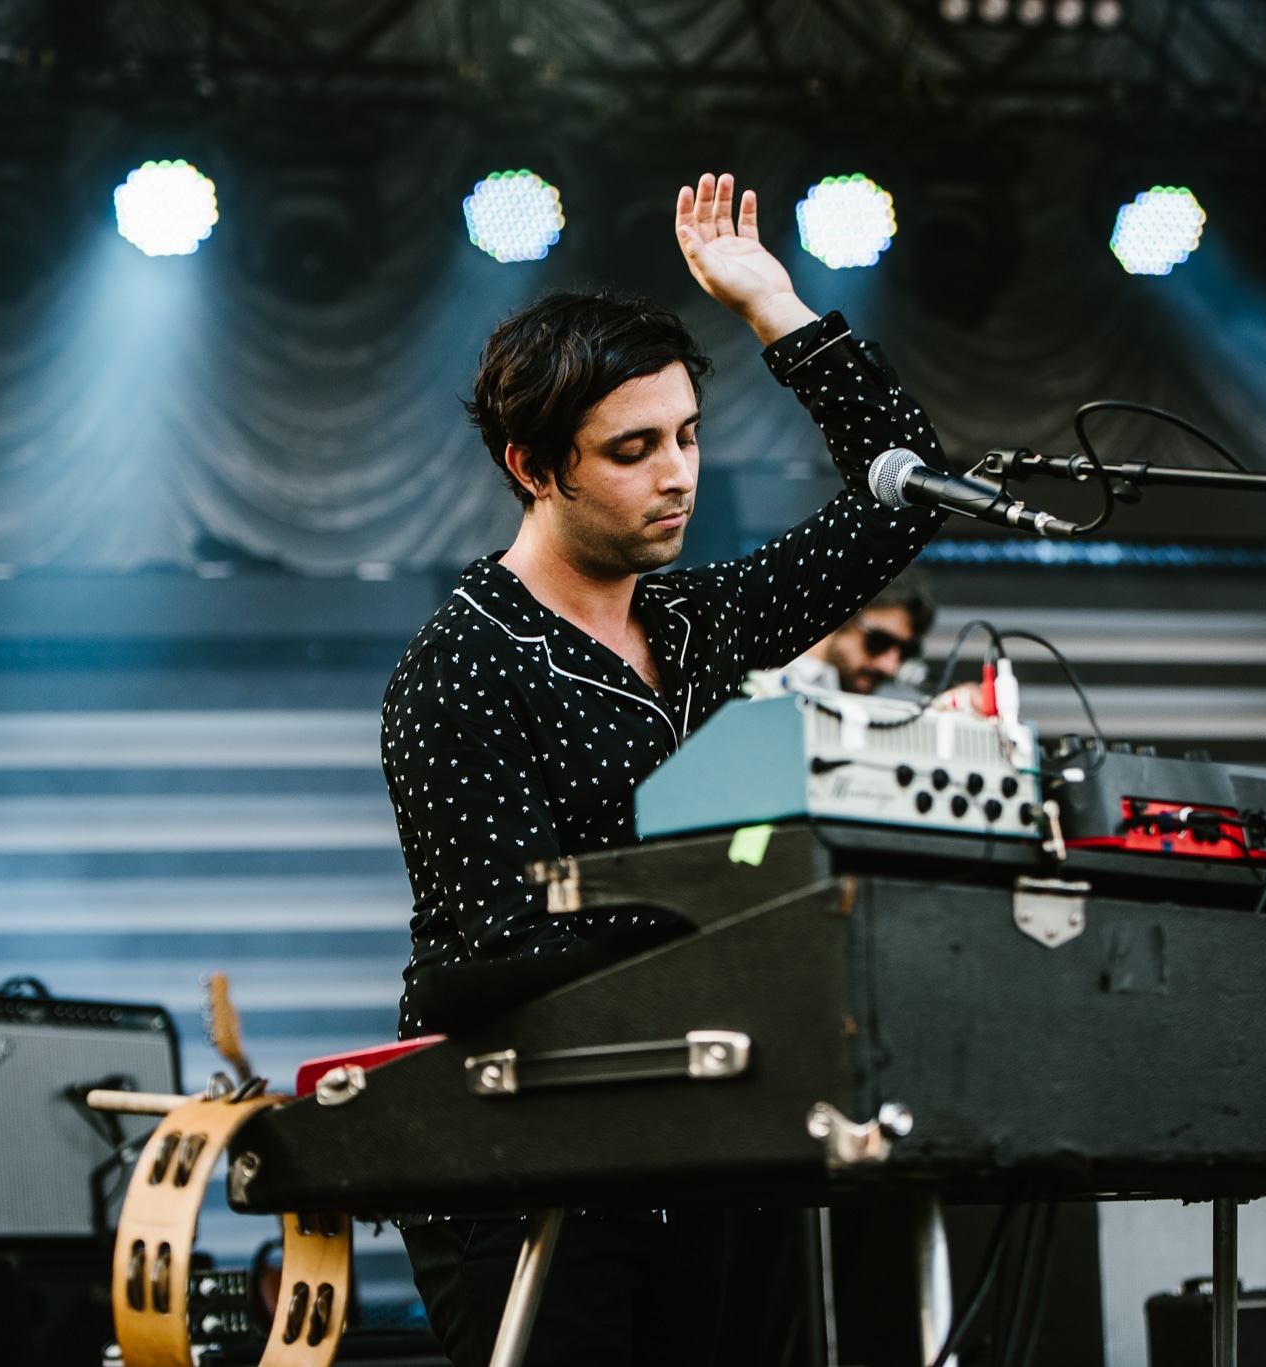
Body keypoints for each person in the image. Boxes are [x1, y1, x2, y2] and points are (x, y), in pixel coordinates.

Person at [379, 172, 953, 1365]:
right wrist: (738, 918)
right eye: (632, 449)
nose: (677, 473)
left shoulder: (699, 619)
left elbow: (903, 487)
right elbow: (489, 951)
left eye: (687, 435)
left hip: (704, 1136)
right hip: (526, 1161)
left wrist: (773, 307)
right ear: (532, 464)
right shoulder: (462, 663)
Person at [782, 565, 936, 695]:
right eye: (879, 642)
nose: (890, 667)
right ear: (840, 616)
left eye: (907, 651)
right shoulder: (773, 680)